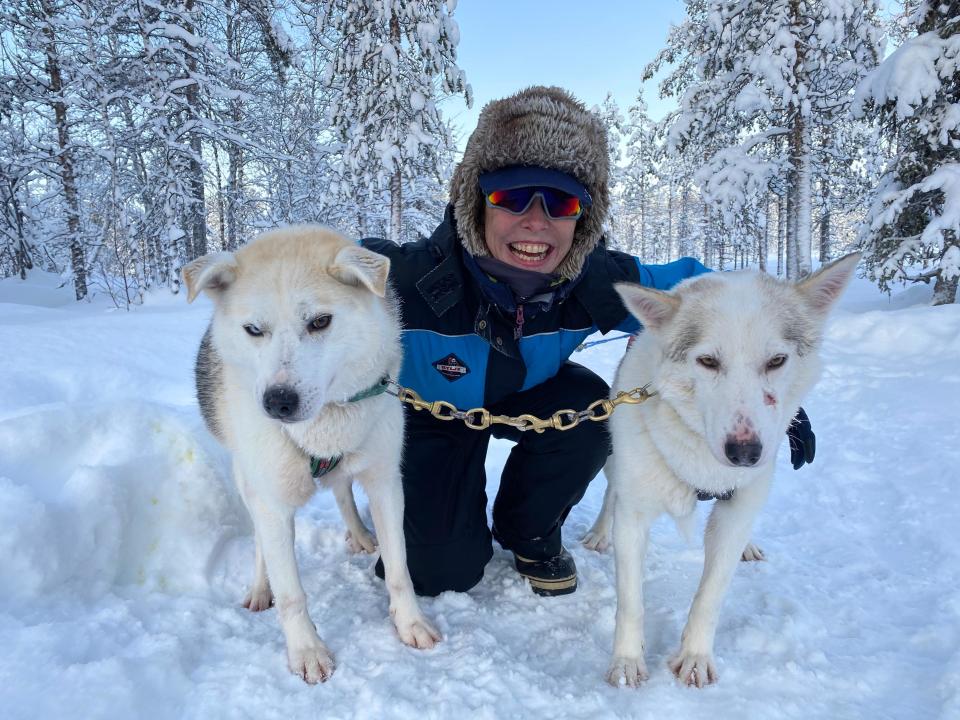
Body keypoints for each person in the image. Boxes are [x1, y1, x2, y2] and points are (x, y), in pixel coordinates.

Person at [364, 86, 815, 597]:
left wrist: (768, 387)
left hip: (532, 399)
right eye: (510, 196)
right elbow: (312, 284)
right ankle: (416, 499)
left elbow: (707, 296)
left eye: (561, 201)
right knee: (439, 573)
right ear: (476, 202)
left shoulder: (595, 280)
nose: (536, 221)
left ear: (583, 217)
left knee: (593, 412)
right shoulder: (409, 280)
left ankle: (528, 531)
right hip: (430, 416)